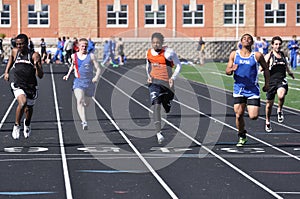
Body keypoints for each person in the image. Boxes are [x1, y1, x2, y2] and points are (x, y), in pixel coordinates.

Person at [226, 33, 270, 147]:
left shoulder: (257, 56)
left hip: (252, 90)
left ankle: (247, 110)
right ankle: (242, 135)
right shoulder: (234, 55)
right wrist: (232, 69)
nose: (246, 40)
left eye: (249, 39)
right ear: (241, 42)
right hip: (239, 89)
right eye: (244, 39)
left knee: (253, 116)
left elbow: (265, 68)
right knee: (238, 114)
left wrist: (267, 83)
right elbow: (227, 71)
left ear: (252, 42)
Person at [4, 33, 43, 139]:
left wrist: (37, 66)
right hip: (18, 84)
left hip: (30, 86)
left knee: (28, 109)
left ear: (27, 44)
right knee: (22, 103)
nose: (19, 46)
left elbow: (40, 75)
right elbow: (11, 60)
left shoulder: (34, 55)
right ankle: (17, 125)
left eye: (21, 44)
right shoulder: (15, 51)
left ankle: (27, 123)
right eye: (17, 44)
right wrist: (7, 72)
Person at [146, 32, 182, 144]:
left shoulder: (169, 53)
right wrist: (148, 76)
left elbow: (179, 65)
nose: (156, 45)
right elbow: (148, 65)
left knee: (167, 101)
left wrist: (173, 78)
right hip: (154, 83)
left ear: (162, 43)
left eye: (158, 43)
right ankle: (158, 133)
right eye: (154, 43)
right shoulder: (148, 53)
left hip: (167, 83)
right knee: (156, 106)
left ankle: (167, 102)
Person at [63, 38, 101, 130]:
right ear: (78, 47)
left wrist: (96, 77)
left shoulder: (91, 56)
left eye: (86, 46)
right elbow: (73, 65)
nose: (84, 48)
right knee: (79, 100)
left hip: (89, 83)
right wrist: (67, 75)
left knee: (86, 103)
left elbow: (98, 68)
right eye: (82, 46)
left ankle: (84, 115)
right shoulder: (74, 56)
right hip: (78, 82)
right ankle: (84, 122)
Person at [264, 36, 295, 132]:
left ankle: (279, 109)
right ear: (272, 45)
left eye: (279, 44)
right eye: (276, 44)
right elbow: (262, 68)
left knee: (281, 96)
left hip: (281, 80)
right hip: (271, 82)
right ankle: (268, 121)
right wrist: (268, 65)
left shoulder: (283, 54)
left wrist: (290, 73)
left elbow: (286, 66)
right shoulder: (269, 56)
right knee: (269, 105)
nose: (278, 46)